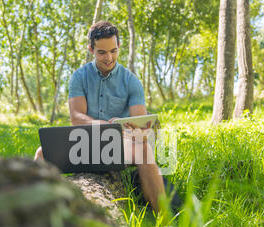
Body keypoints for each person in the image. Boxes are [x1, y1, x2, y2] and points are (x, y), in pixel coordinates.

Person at [34, 21, 166, 212]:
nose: (109, 57)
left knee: (144, 149)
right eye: (102, 52)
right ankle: (37, 210)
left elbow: (140, 123)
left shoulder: (131, 82)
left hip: (120, 146)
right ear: (91, 49)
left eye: (113, 51)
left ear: (119, 46)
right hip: (86, 143)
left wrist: (129, 130)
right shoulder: (79, 77)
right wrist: (106, 125)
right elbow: (77, 118)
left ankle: (164, 220)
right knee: (41, 153)